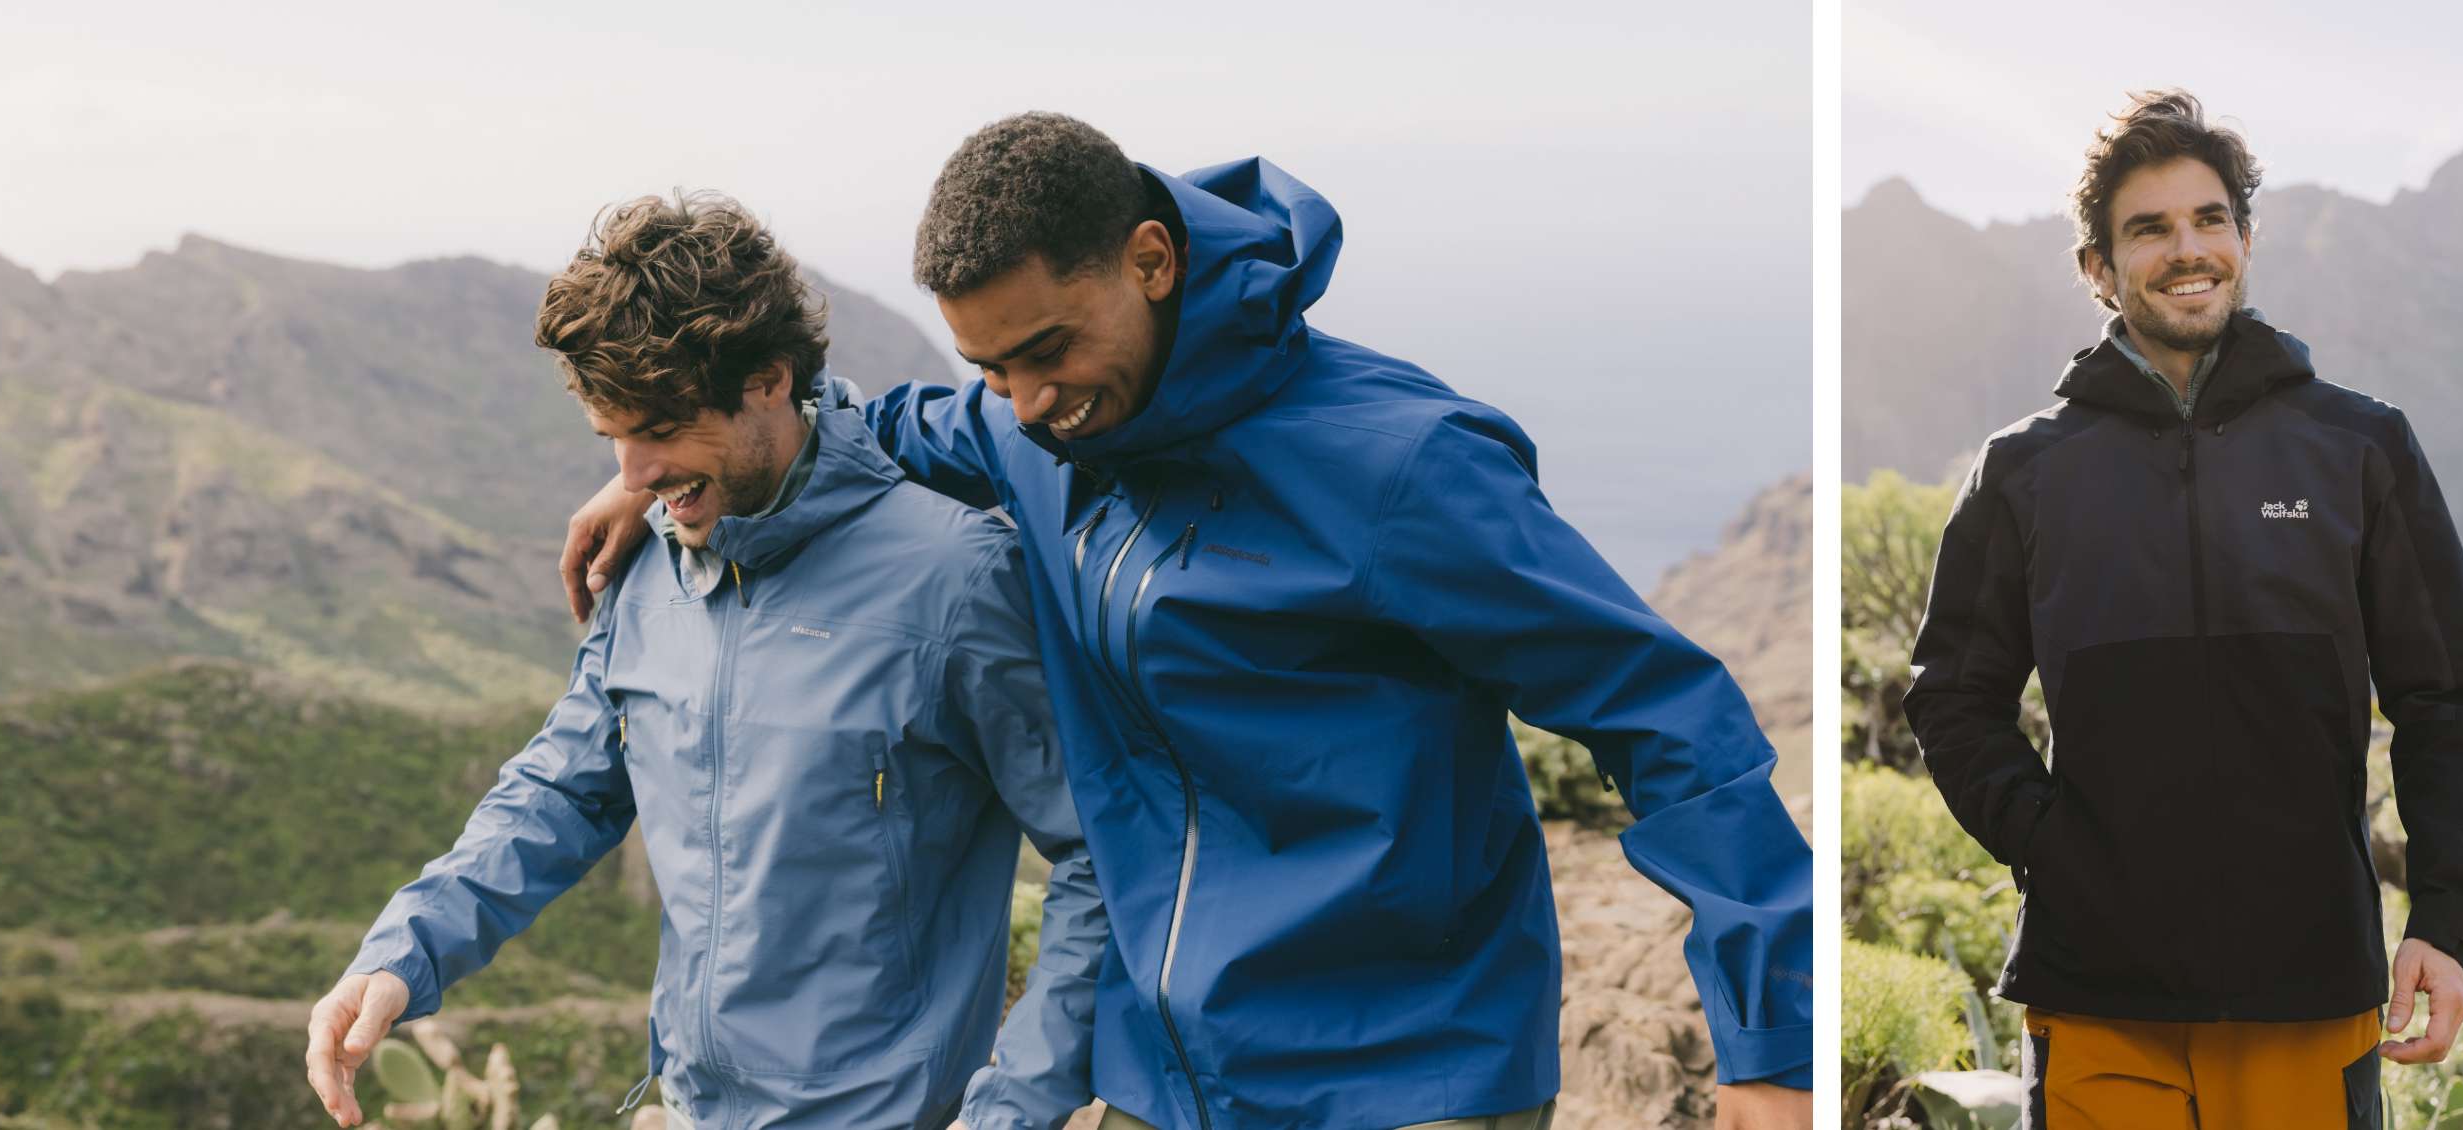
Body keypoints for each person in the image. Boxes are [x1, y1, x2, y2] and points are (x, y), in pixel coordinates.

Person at [562, 112, 1814, 1130]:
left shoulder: (1400, 465)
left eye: (1050, 346)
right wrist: (668, 468)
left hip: (1401, 1075)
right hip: (1165, 1078)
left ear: (1151, 261)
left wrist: (1772, 1036)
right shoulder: (1030, 426)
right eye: (991, 367)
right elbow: (873, 427)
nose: (1031, 399)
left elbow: (1663, 710)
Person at [304, 193, 1107, 1130]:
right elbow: (561, 791)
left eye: (660, 429)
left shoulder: (959, 579)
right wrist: (401, 955)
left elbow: (1096, 857)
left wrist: (1014, 1108)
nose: (633, 473)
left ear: (770, 379)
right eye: (614, 437)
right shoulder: (649, 565)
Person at [1904, 89, 2463, 1130]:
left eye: (2209, 219)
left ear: (2243, 238)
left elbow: (2447, 691)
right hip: (2097, 992)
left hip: (2308, 989)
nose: (2188, 249)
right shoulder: (2023, 470)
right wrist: (2054, 843)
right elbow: (1953, 698)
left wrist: (2450, 918)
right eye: (2150, 229)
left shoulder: (2360, 446)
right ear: (2099, 268)